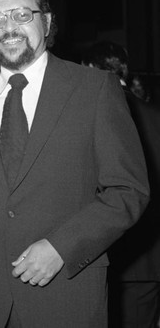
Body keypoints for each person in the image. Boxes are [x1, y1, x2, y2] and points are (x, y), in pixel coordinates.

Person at [0, 0, 150, 327]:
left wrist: (62, 246)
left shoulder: (95, 89)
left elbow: (129, 190)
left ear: (46, 22)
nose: (9, 27)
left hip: (66, 296)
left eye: (21, 14)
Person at [82, 40, 160, 327]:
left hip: (108, 253)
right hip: (151, 260)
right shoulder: (155, 115)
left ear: (89, 68)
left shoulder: (91, 114)